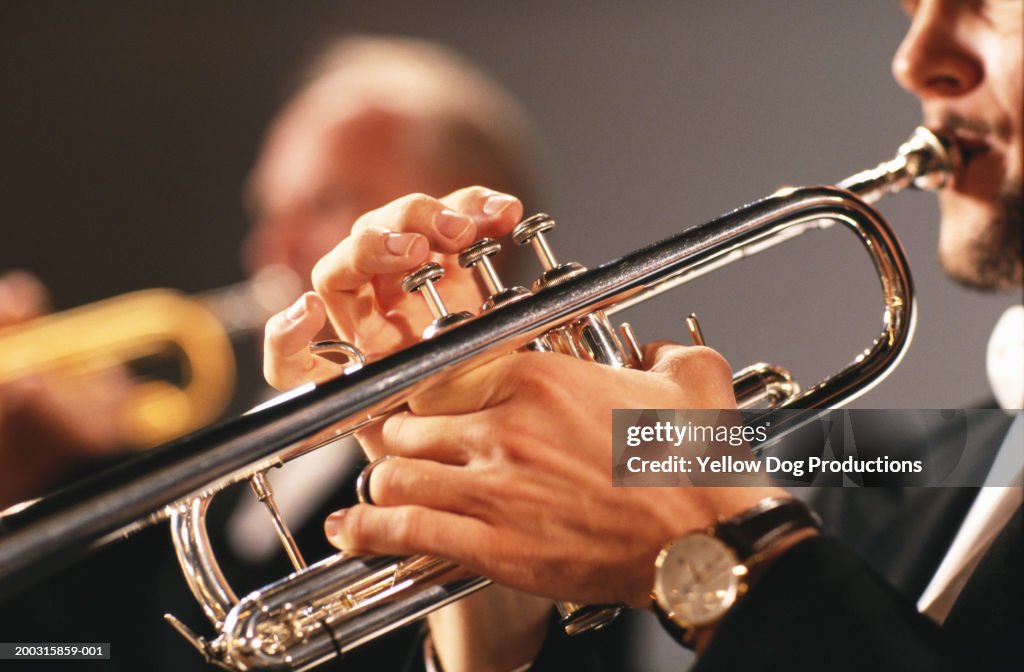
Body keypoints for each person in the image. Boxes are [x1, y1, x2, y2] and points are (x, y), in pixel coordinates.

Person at [263, 1, 1023, 669]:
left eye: (987, 3)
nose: (915, 60)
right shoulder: (906, 470)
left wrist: (720, 550)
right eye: (912, 5)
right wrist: (494, 624)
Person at [0, 35, 549, 671]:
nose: (272, 252)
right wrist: (35, 476)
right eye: (267, 212)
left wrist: (692, 460)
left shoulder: (609, 436)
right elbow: (60, 653)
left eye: (323, 203)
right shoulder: (209, 488)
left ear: (463, 220)